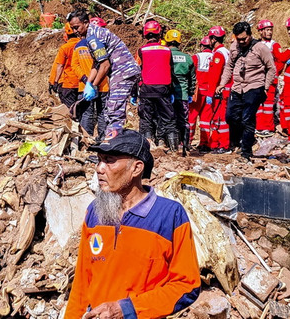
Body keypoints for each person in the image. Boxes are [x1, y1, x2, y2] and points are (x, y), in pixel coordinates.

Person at [64, 129, 200, 319]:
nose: (99, 168)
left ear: (136, 168)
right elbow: (81, 282)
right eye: (99, 159)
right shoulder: (95, 211)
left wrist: (127, 310)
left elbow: (187, 286)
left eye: (110, 160)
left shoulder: (170, 215)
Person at [69, 9, 141, 137]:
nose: (75, 31)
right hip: (123, 72)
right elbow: (96, 64)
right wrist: (89, 83)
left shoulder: (93, 37)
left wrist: (94, 86)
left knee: (114, 111)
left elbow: (105, 65)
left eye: (76, 27)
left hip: (122, 72)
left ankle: (112, 148)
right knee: (110, 109)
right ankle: (109, 144)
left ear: (86, 23)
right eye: (72, 28)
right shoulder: (92, 35)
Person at [216, 22, 276, 159]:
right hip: (237, 87)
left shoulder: (260, 48)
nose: (242, 42)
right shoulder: (234, 47)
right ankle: (238, 141)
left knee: (248, 119)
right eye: (239, 39)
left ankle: (246, 151)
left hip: (254, 86)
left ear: (250, 35)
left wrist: (266, 88)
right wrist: (222, 84)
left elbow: (271, 68)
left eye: (244, 39)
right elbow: (229, 66)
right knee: (230, 116)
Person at [136, 21, 177, 149]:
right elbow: (171, 70)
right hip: (163, 89)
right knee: (168, 118)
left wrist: (133, 92)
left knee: (146, 119)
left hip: (146, 89)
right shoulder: (167, 50)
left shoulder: (141, 50)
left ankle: (148, 147)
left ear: (145, 35)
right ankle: (173, 148)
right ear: (159, 34)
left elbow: (136, 71)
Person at [72, 29, 110, 140]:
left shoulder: (78, 46)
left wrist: (85, 79)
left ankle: (86, 140)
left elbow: (74, 65)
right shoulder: (101, 44)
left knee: (86, 113)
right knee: (102, 113)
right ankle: (103, 139)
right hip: (102, 85)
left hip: (86, 87)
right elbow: (104, 65)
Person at [165, 29, 196, 153]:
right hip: (183, 94)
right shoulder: (187, 58)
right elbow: (192, 78)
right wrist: (191, 92)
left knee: (169, 119)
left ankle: (171, 145)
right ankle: (185, 145)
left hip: (167, 94)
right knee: (184, 120)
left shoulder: (165, 55)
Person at [203, 26, 231, 153]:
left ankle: (222, 145)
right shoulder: (226, 51)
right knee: (220, 118)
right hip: (225, 89)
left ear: (214, 39)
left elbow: (215, 75)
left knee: (219, 119)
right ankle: (215, 143)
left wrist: (210, 93)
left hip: (219, 91)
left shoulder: (219, 54)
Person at [255, 19, 284, 135]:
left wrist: (274, 74)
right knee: (258, 104)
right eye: (267, 30)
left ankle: (268, 127)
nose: (270, 32)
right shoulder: (257, 45)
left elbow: (281, 61)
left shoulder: (274, 45)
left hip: (270, 80)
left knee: (267, 105)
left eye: (271, 30)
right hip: (258, 79)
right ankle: (259, 126)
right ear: (260, 31)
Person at [188, 36, 213, 151]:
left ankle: (188, 141)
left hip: (197, 93)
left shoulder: (196, 57)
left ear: (202, 46)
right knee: (205, 120)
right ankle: (205, 143)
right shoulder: (215, 56)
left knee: (191, 118)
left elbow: (189, 74)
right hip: (210, 93)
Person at [49, 24, 81, 108]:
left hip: (68, 84)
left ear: (66, 35)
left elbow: (59, 66)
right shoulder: (84, 45)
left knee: (70, 110)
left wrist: (54, 82)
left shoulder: (65, 48)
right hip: (83, 82)